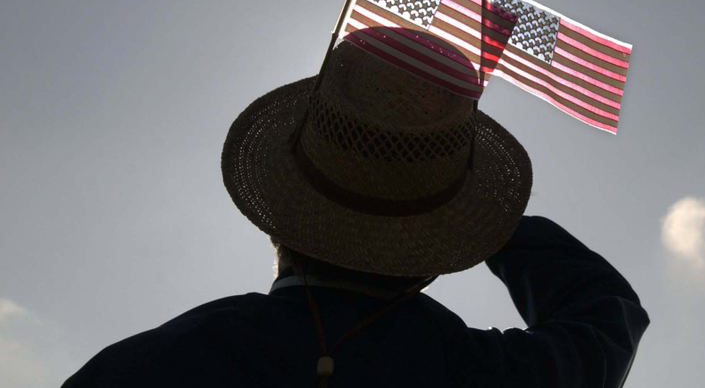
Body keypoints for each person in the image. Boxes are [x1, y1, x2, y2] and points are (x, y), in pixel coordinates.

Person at [64, 30, 649, 387]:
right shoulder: (483, 372)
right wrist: (490, 220)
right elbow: (607, 316)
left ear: (282, 216)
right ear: (439, 241)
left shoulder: (154, 365)